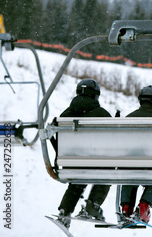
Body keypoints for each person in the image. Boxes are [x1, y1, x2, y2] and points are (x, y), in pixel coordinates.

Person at [55, 79, 112, 229]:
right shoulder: (103, 114)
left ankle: (64, 210)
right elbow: (112, 141)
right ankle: (93, 204)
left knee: (78, 177)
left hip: (70, 163)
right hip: (96, 163)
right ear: (95, 95)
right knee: (108, 169)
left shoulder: (64, 115)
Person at [119, 85, 152, 223]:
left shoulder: (128, 118)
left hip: (129, 166)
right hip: (151, 166)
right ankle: (144, 206)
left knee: (129, 172)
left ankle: (126, 208)